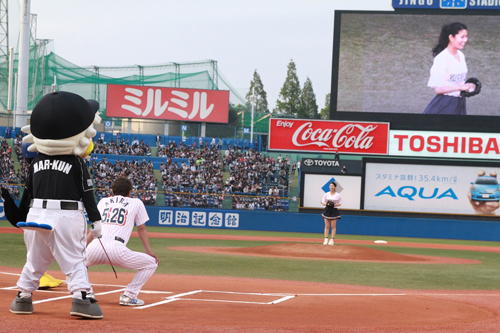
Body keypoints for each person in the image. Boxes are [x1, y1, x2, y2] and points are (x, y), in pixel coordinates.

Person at [7, 91, 103, 319]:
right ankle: (81, 298)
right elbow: (87, 193)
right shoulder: (76, 162)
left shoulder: (36, 162)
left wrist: (20, 214)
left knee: (35, 259)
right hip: (66, 215)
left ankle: (22, 296)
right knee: (74, 258)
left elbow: (27, 194)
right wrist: (96, 220)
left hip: (35, 214)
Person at [86, 177, 159, 306]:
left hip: (95, 247)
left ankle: (86, 293)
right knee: (151, 263)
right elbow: (141, 228)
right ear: (130, 192)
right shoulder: (136, 203)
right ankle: (129, 296)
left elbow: (94, 227)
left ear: (112, 192)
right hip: (117, 250)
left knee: (77, 263)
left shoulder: (103, 201)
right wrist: (149, 251)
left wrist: (82, 247)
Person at [423, 22, 476, 115]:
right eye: (462, 37)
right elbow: (438, 89)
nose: (465, 40)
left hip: (460, 102)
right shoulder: (442, 59)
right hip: (445, 104)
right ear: (451, 37)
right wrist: (460, 87)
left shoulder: (461, 55)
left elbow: (457, 81)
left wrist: (470, 85)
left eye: (466, 37)